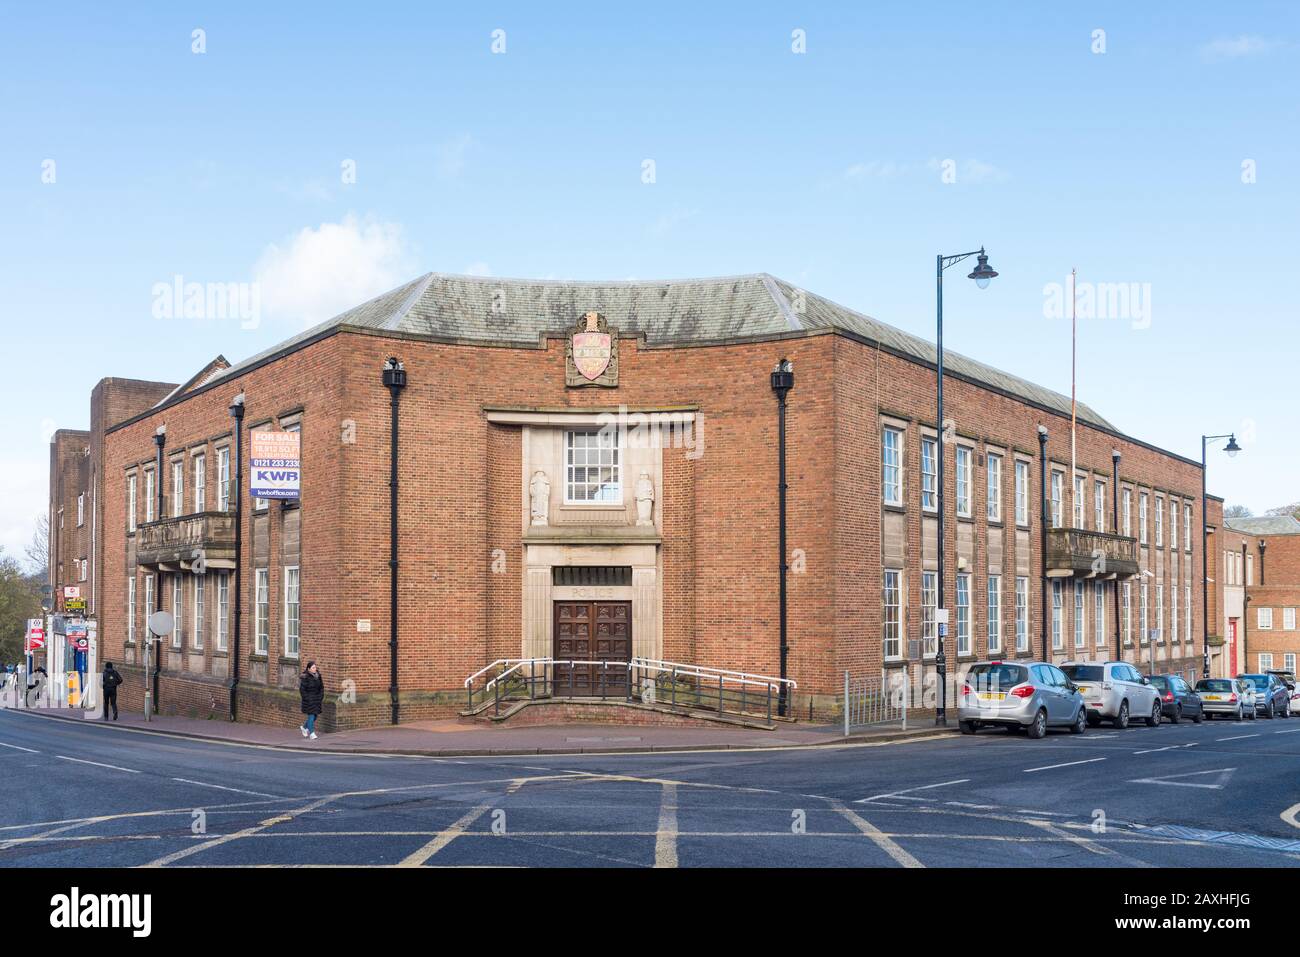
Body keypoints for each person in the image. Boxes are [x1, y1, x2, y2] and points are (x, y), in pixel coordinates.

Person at [299, 661, 323, 739]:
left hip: (317, 699)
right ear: (308, 669)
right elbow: (302, 690)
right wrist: (307, 698)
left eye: (315, 667)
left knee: (315, 716)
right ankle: (312, 733)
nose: (315, 669)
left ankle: (304, 727)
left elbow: (321, 687)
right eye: (313, 668)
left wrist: (321, 696)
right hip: (309, 700)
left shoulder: (318, 676)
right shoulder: (305, 677)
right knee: (311, 716)